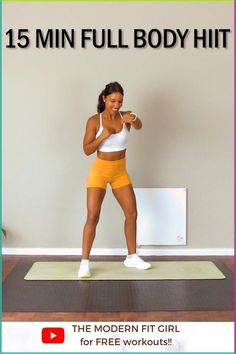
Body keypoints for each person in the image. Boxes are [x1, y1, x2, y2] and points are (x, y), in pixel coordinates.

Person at [78, 82, 151, 278]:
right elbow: (86, 150)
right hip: (100, 171)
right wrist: (102, 136)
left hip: (120, 172)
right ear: (104, 98)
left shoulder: (125, 116)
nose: (116, 105)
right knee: (93, 215)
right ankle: (85, 262)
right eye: (112, 101)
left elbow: (139, 125)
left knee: (132, 213)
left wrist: (133, 117)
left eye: (120, 101)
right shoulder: (95, 121)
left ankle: (132, 256)